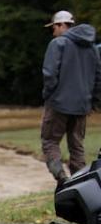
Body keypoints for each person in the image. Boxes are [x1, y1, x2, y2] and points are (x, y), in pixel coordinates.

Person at [41, 10, 101, 184]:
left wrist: (48, 96)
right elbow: (99, 77)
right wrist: (93, 102)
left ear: (61, 25)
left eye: (54, 27)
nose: (53, 32)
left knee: (50, 141)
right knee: (77, 146)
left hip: (58, 104)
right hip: (83, 106)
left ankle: (61, 178)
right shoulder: (91, 47)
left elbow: (50, 74)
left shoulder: (57, 44)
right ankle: (81, 182)